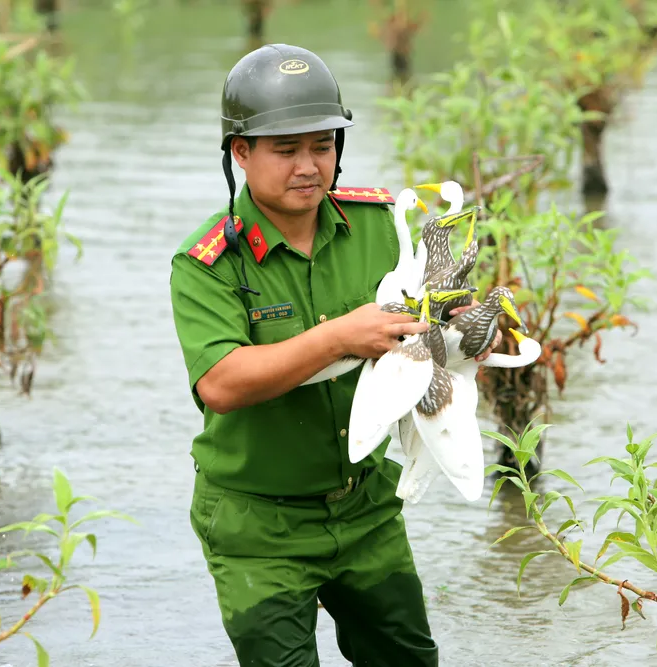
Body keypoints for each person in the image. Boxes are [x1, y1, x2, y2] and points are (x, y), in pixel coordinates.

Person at [168, 43, 499, 666]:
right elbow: (221, 382)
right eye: (286, 150)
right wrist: (340, 336)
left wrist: (470, 331)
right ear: (241, 153)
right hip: (256, 526)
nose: (308, 166)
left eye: (322, 146)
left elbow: (435, 321)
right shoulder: (207, 263)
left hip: (367, 507)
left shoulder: (377, 225)